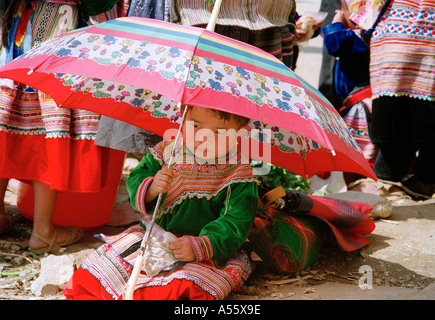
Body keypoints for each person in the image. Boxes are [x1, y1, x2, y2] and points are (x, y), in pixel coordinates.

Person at [64, 106, 259, 300]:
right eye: (195, 125)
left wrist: (200, 246)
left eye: (218, 132)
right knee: (101, 269)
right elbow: (136, 178)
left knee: (184, 286)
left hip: (206, 250)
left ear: (239, 133)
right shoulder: (167, 151)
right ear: (182, 120)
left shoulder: (238, 174)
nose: (202, 138)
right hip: (154, 236)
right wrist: (151, 188)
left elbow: (235, 222)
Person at [0, 0, 116, 252]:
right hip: (56, 27)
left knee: (8, 118)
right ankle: (43, 231)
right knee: (47, 125)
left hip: (16, 22)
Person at [368, 0, 435, 200]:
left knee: (399, 107)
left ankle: (402, 179)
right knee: (400, 108)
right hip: (402, 33)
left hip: (401, 35)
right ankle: (413, 179)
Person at [322, 9, 379, 193]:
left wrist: (337, 21)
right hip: (366, 101)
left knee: (356, 156)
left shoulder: (358, 38)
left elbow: (333, 42)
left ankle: (360, 193)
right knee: (365, 152)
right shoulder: (373, 35)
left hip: (361, 107)